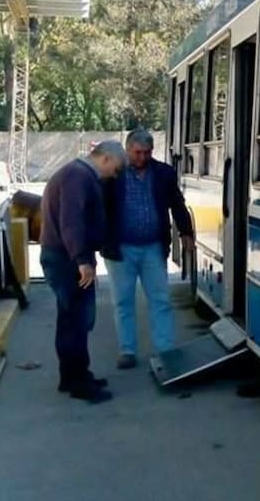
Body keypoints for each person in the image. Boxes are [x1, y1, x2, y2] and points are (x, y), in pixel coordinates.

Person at [40, 140, 126, 403]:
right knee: (76, 321)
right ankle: (77, 382)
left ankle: (74, 375)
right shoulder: (78, 177)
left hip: (67, 257)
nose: (114, 175)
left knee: (72, 319)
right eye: (116, 169)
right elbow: (71, 220)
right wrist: (81, 260)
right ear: (107, 159)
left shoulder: (76, 174)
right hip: (67, 260)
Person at [101, 129, 195, 369]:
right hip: (121, 249)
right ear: (127, 149)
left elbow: (177, 204)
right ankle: (127, 350)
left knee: (160, 299)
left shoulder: (163, 173)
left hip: (153, 247)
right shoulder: (113, 173)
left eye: (147, 153)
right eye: (138, 153)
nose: (142, 157)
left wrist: (186, 233)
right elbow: (98, 207)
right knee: (123, 301)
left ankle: (165, 349)